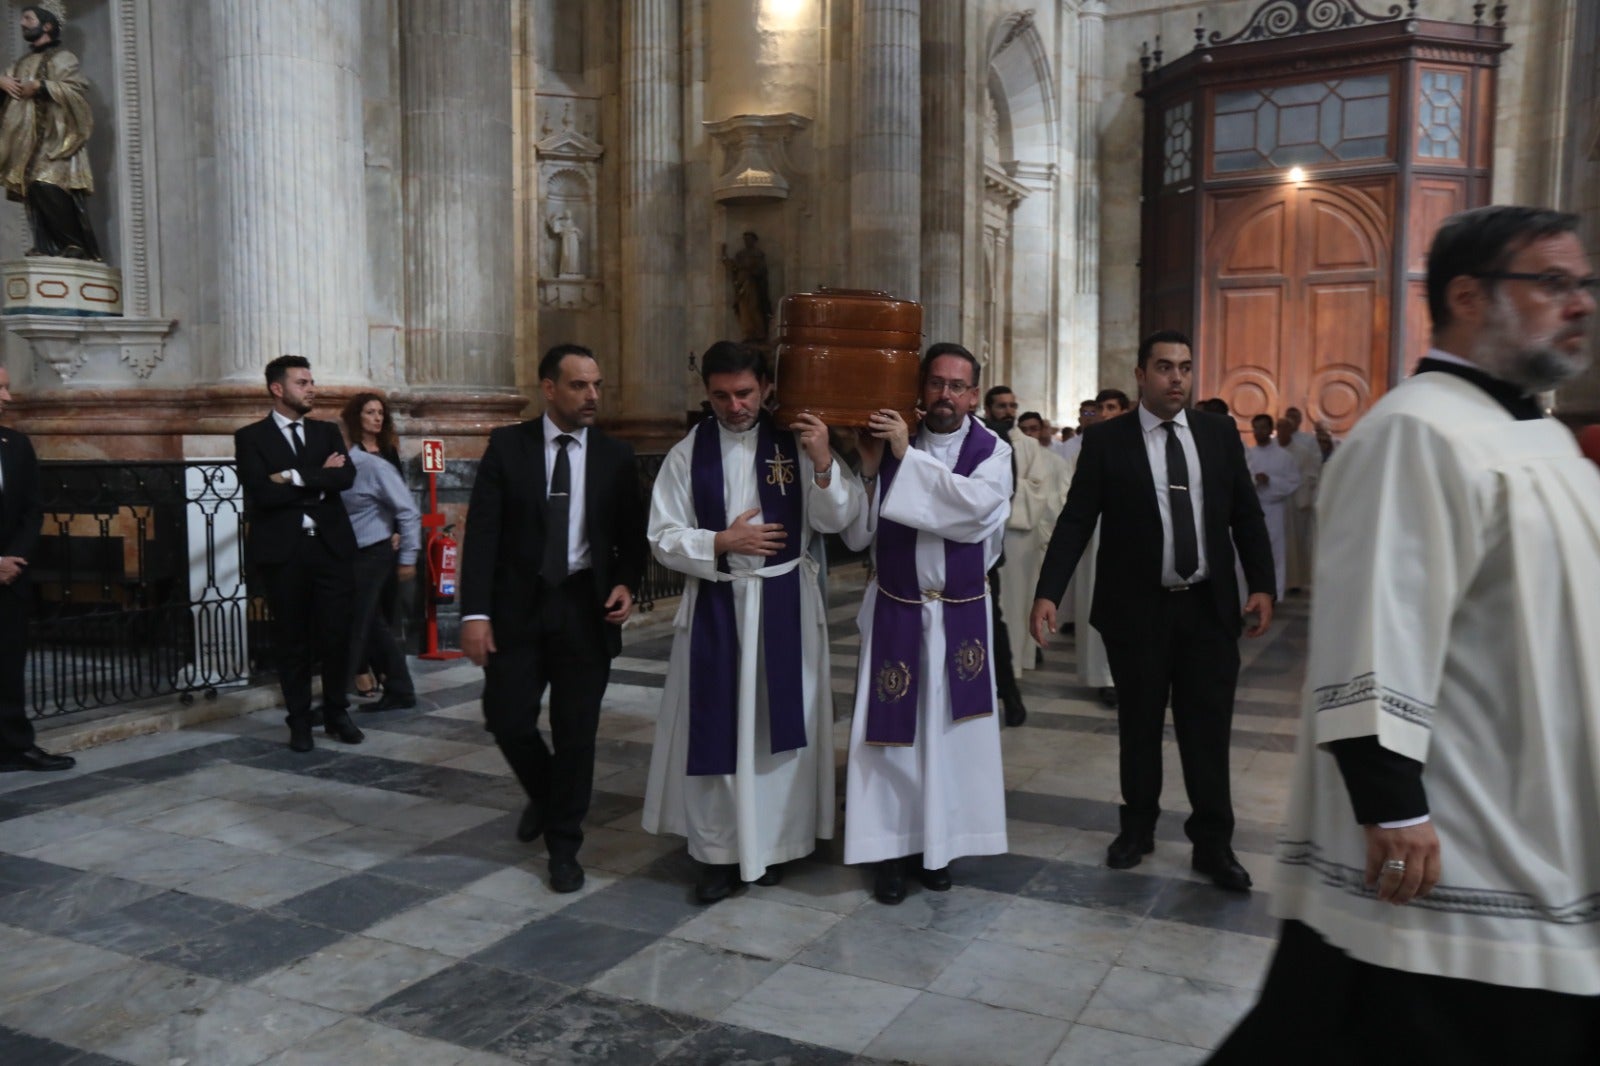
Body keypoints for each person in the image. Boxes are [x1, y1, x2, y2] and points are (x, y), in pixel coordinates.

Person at [1212, 206, 1600, 1063]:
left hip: (1538, 804)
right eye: (1552, 283)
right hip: (1460, 831)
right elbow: (1378, 620)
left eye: (1584, 284)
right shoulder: (1419, 429)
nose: (1579, 304)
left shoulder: (1538, 438)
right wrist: (1393, 803)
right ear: (1468, 295)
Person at [1031, 330, 1275, 892]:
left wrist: (1261, 582)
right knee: (1139, 726)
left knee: (1207, 731)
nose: (1177, 379)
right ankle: (1136, 829)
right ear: (1141, 375)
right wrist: (1049, 591)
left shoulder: (1216, 434)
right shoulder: (1108, 441)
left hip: (1208, 611)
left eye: (1186, 368)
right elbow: (1076, 519)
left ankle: (1213, 844)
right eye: (1164, 368)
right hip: (1137, 611)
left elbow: (1245, 513)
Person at [642, 342, 864, 903]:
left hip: (785, 602)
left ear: (766, 387)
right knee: (718, 730)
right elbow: (662, 536)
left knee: (776, 734)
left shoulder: (795, 437)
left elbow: (840, 518)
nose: (734, 405)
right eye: (721, 395)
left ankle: (775, 846)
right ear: (707, 394)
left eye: (744, 393)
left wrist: (819, 462)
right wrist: (721, 541)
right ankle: (719, 854)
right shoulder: (689, 452)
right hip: (720, 604)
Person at [459, 343, 647, 894]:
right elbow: (484, 534)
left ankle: (564, 846)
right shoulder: (508, 446)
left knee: (577, 735)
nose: (592, 395)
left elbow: (632, 537)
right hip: (519, 605)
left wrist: (627, 582)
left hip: (584, 612)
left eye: (596, 385)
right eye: (579, 385)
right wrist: (474, 613)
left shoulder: (616, 454)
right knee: (506, 717)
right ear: (549, 388)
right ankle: (546, 795)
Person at [842, 342, 1012, 904]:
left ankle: (935, 847)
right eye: (936, 383)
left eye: (958, 386)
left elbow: (968, 513)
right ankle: (890, 850)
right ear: (921, 387)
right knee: (892, 741)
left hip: (959, 614)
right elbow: (857, 536)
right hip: (897, 607)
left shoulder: (994, 452)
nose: (945, 395)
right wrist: (870, 470)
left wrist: (902, 458)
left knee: (947, 739)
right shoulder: (892, 441)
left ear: (974, 395)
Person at [234, 356, 364, 753]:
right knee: (291, 641)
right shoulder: (251, 437)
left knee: (337, 636)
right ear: (278, 389)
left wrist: (292, 475)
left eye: (311, 381)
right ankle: (300, 721)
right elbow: (263, 493)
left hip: (330, 549)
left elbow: (344, 477)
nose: (312, 388)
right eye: (303, 382)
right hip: (283, 553)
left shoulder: (326, 431)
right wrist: (316, 476)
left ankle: (337, 712)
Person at [0, 365, 72, 772]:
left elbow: (31, 510)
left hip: (11, 574)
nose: (7, 398)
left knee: (9, 665)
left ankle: (14, 746)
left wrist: (12, 561)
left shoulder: (15, 444)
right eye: (1, 389)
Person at [0, 4, 98, 259]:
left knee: (48, 184)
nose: (22, 23)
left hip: (56, 140)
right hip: (26, 143)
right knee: (31, 188)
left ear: (47, 25)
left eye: (28, 18)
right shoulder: (20, 63)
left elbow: (75, 91)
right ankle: (46, 246)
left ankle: (76, 245)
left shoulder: (63, 58)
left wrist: (41, 86)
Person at [340, 446, 420, 714]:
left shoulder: (374, 466)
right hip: (351, 552)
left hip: (373, 552)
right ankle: (400, 687)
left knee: (357, 621)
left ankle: (336, 700)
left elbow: (408, 510)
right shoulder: (333, 464)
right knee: (372, 623)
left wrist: (409, 555)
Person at [1066, 389, 1132, 710]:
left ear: (1124, 410)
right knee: (1097, 601)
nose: (1105, 413)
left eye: (1111, 407)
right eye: (1101, 408)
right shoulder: (1091, 445)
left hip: (1131, 536)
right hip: (1098, 535)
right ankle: (1105, 679)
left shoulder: (1138, 443)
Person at [985, 388, 1056, 686]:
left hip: (1017, 535)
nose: (1008, 411)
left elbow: (1040, 487)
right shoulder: (982, 438)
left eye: (1012, 405)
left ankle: (1012, 667)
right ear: (988, 409)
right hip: (989, 534)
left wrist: (1003, 492)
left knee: (1016, 604)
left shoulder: (1028, 444)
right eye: (1001, 406)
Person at [341, 392, 404, 699]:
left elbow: (400, 497)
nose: (377, 418)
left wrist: (398, 531)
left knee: (383, 607)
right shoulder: (349, 453)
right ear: (357, 417)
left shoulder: (389, 451)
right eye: (370, 412)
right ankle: (360, 669)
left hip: (386, 540)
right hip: (357, 540)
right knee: (360, 609)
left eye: (380, 412)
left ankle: (385, 667)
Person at [1246, 415, 1301, 601]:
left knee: (1275, 554)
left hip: (1275, 510)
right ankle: (1251, 593)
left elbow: (1293, 482)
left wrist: (1271, 481)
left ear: (1271, 430)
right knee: (1251, 553)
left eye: (1262, 428)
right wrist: (1254, 481)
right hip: (1252, 510)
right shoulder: (1249, 455)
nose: (1258, 432)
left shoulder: (1284, 457)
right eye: (1255, 428)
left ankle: (1273, 594)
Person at [1280, 406, 1321, 591]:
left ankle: (1295, 582)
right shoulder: (1273, 448)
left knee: (1295, 545)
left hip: (1295, 501)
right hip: (1274, 504)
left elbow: (1311, 472)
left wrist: (1301, 494)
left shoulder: (1306, 446)